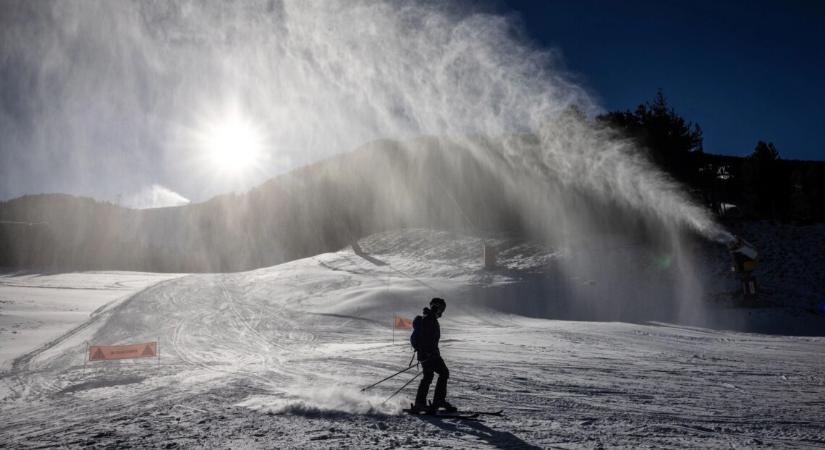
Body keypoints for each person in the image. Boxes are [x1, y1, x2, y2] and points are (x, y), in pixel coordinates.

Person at [411, 297, 456, 413]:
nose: (442, 312)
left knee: (443, 373)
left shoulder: (431, 318)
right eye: (442, 309)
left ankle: (437, 401)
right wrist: (426, 352)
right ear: (436, 307)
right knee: (429, 376)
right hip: (427, 354)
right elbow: (425, 338)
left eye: (443, 309)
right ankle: (420, 403)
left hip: (433, 354)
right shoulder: (428, 318)